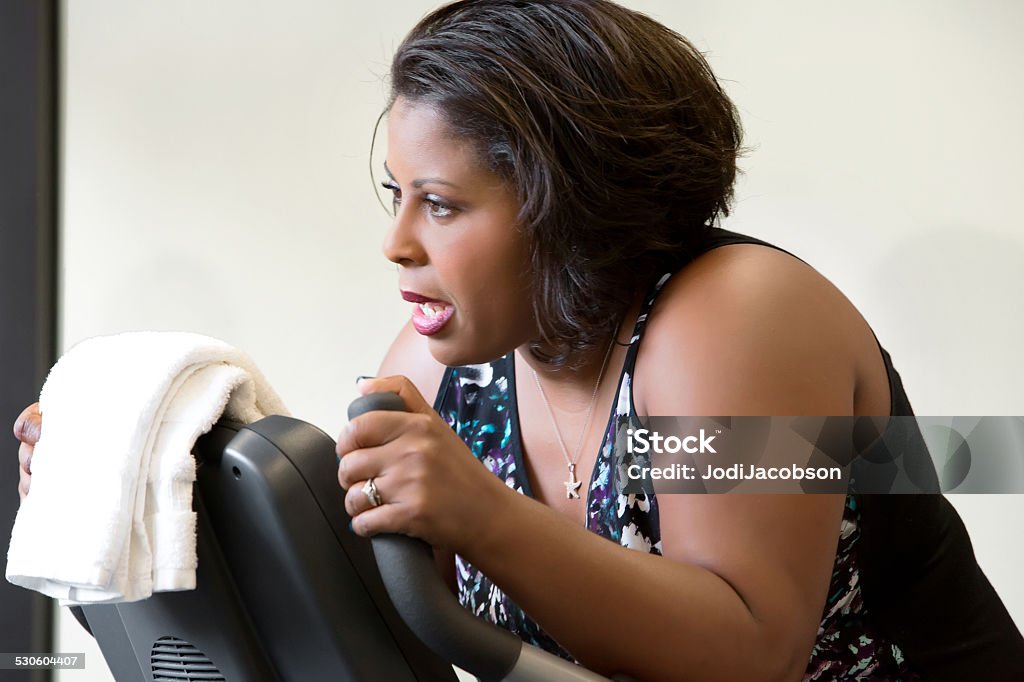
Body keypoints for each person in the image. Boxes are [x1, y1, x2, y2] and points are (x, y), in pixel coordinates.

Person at [15, 1, 1024, 679]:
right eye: (396, 195)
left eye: (443, 205)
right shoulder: (448, 362)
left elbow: (746, 647)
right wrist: (130, 484)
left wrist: (482, 516)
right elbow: (369, 620)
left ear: (569, 207)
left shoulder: (729, 312)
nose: (397, 242)